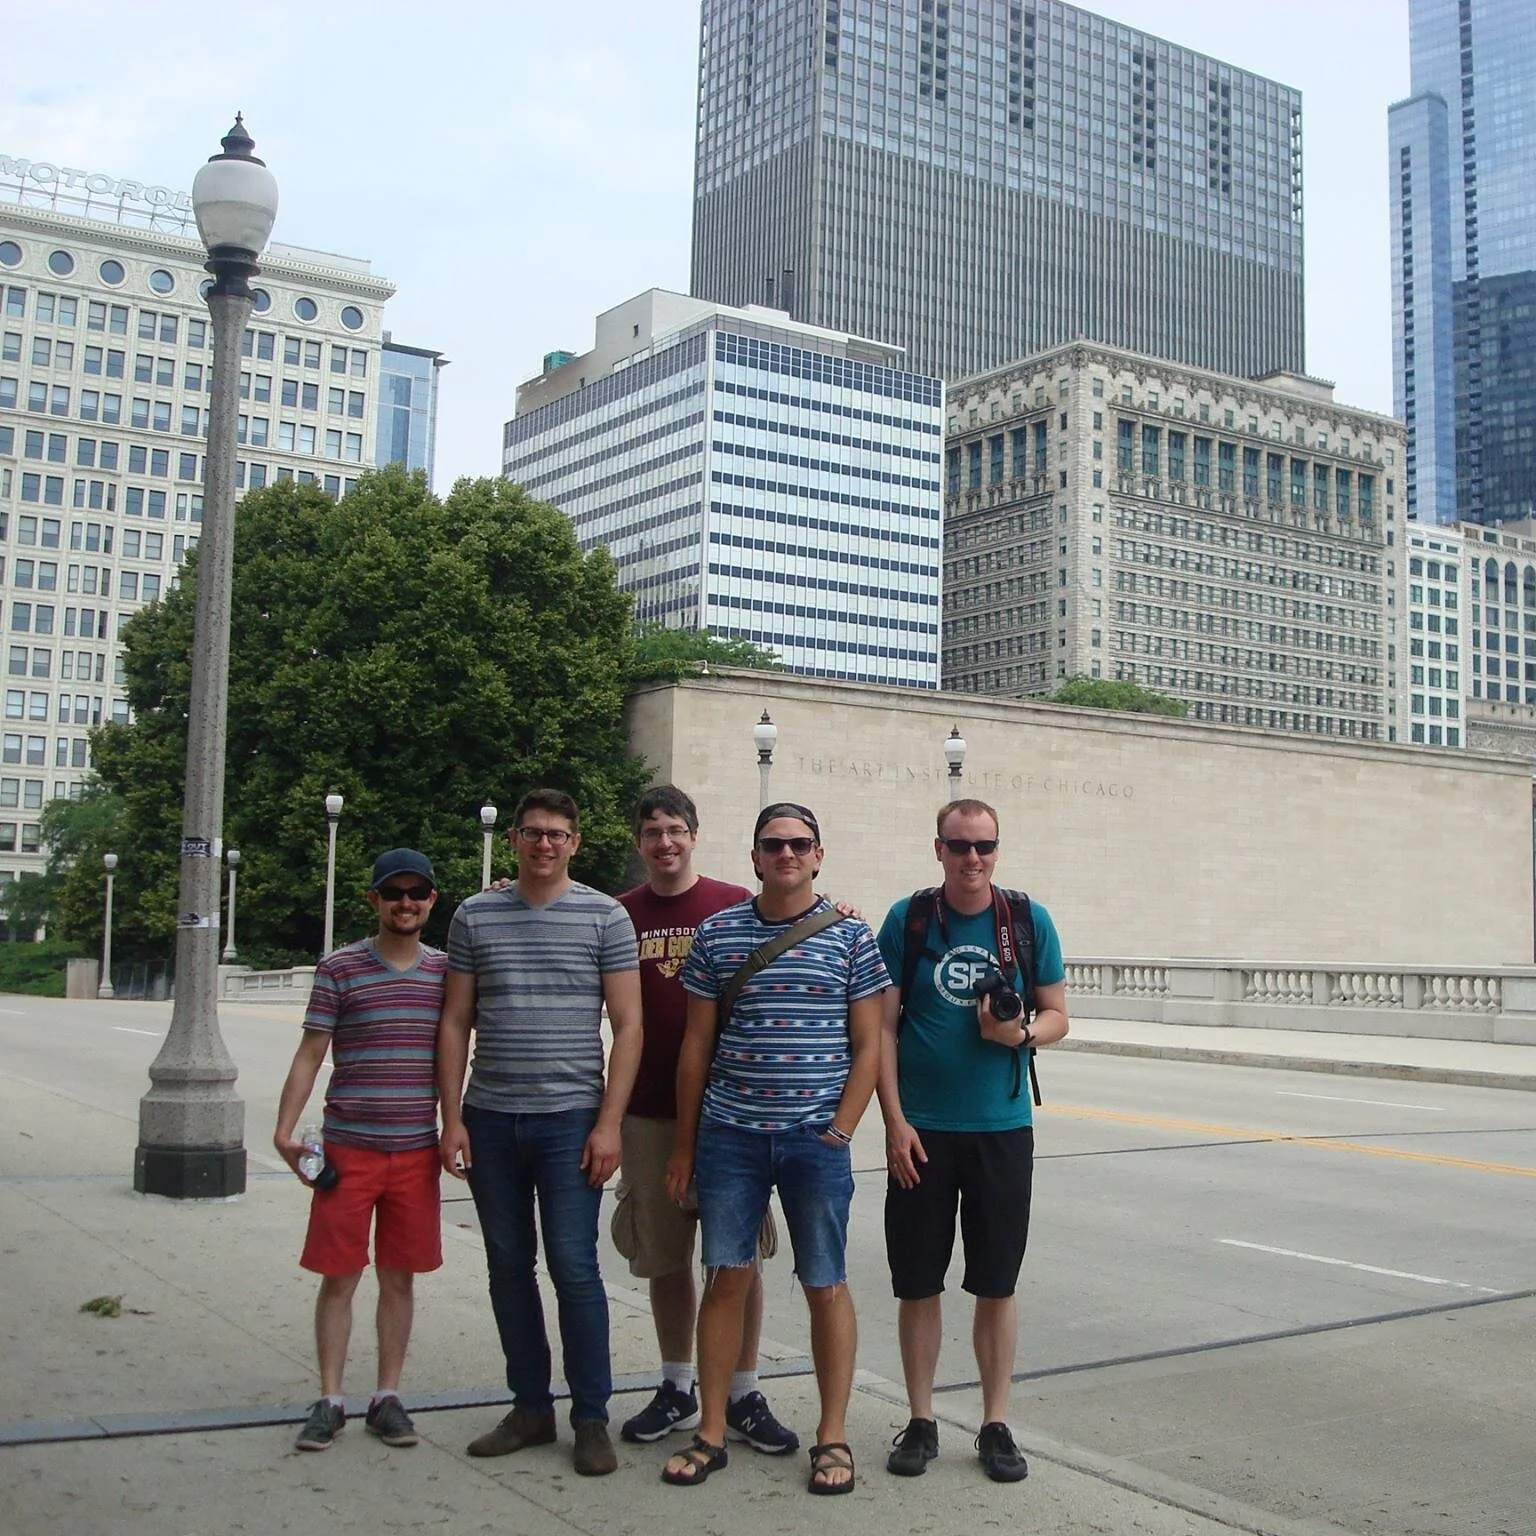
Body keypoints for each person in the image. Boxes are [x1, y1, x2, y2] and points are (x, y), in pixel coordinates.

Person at [661, 802, 888, 1495]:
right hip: (731, 1134)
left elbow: (870, 1044)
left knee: (825, 1282)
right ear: (755, 857)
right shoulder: (718, 933)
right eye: (773, 844)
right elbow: (696, 1045)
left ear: (818, 855)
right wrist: (685, 1145)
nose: (786, 853)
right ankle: (710, 1430)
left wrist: (841, 1130)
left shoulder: (851, 936)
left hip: (814, 1140)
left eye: (798, 843)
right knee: (726, 1276)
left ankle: (832, 1436)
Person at [438, 788, 642, 1478]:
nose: (544, 844)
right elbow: (455, 1020)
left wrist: (609, 1123)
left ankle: (591, 1417)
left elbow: (629, 1025)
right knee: (506, 1266)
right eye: (533, 833)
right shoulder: (475, 914)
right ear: (515, 840)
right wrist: (451, 1117)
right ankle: (529, 1407)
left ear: (575, 842)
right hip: (491, 1117)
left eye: (557, 833)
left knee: (574, 1267)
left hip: (570, 1120)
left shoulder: (605, 915)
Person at [875, 798, 1069, 1484]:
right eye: (959, 846)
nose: (973, 858)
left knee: (996, 1282)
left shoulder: (1027, 920)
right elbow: (881, 1029)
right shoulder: (908, 920)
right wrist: (894, 1123)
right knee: (917, 1282)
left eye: (984, 845)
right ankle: (920, 1419)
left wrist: (1018, 1034)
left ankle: (995, 1423)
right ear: (939, 849)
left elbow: (1058, 1015)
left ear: (997, 848)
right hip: (922, 1133)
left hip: (1001, 1129)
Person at [613, 785, 797, 1456]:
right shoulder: (618, 915)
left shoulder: (732, 904)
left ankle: (744, 1391)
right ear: (640, 842)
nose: (664, 842)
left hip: (729, 1114)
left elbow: (796, 919)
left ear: (694, 835)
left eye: (675, 830)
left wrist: (844, 909)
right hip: (647, 1111)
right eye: (652, 832)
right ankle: (677, 1385)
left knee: (736, 1260)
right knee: (665, 1258)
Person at [273, 848, 448, 1454]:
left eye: (417, 893)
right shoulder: (340, 968)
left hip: (416, 1151)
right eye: (393, 893)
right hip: (348, 1151)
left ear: (431, 901)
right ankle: (330, 1399)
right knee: (339, 1276)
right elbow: (311, 1052)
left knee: (400, 1278)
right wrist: (284, 1131)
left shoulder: (446, 972)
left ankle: (387, 1397)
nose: (406, 903)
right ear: (374, 900)